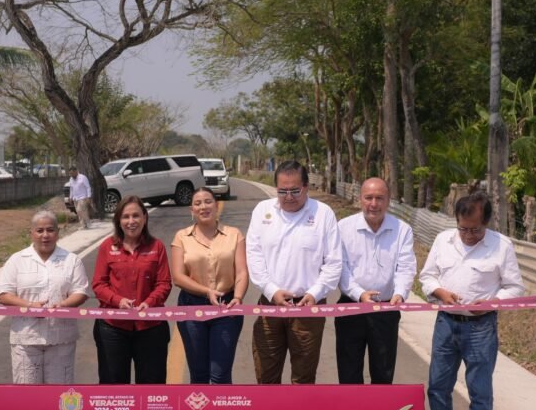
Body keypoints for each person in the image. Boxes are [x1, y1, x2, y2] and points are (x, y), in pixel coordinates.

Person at [420, 191, 524, 410]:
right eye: (463, 228)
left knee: (479, 392)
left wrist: (491, 303)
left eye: (475, 230)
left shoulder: (502, 246)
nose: (467, 235)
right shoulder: (443, 240)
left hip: (480, 328)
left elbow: (515, 288)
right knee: (438, 387)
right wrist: (439, 291)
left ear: (487, 223)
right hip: (446, 323)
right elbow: (427, 276)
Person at [245, 161, 341, 384]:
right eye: (282, 191)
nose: (288, 197)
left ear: (306, 187)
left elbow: (334, 262)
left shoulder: (323, 214)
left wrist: (315, 293)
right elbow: (254, 255)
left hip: (308, 307)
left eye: (295, 191)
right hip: (270, 305)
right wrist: (271, 291)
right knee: (266, 374)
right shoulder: (262, 211)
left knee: (303, 377)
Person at [335, 177, 416, 384]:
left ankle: (380, 407)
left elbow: (405, 267)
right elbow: (340, 268)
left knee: (383, 374)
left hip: (386, 309)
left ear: (388, 200)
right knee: (349, 373)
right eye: (368, 197)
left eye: (379, 198)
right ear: (359, 199)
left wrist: (400, 293)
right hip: (351, 307)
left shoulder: (402, 230)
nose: (374, 204)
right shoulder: (343, 227)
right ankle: (351, 407)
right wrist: (360, 294)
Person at [0, 210, 89, 384]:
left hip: (61, 339)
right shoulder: (17, 260)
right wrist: (29, 305)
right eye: (40, 231)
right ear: (31, 233)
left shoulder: (71, 260)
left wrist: (63, 305)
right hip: (26, 339)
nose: (45, 235)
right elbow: (3, 294)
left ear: (58, 233)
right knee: (27, 394)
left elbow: (81, 292)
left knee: (59, 393)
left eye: (50, 230)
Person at [171, 187, 248, 384]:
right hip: (191, 308)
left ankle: (222, 406)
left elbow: (241, 272)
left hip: (227, 307)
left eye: (208, 201)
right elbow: (178, 277)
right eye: (197, 203)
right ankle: (200, 406)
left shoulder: (234, 234)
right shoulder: (181, 237)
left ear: (216, 205)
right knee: (199, 374)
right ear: (192, 210)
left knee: (220, 374)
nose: (203, 207)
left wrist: (238, 297)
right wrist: (207, 292)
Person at [91, 195, 172, 384]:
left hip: (151, 327)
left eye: (136, 215)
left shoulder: (157, 247)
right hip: (112, 328)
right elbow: (99, 284)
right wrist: (118, 301)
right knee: (114, 388)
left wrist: (149, 303)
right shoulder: (107, 247)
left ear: (145, 217)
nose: (131, 221)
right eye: (125, 217)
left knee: (152, 388)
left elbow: (164, 283)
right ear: (118, 220)